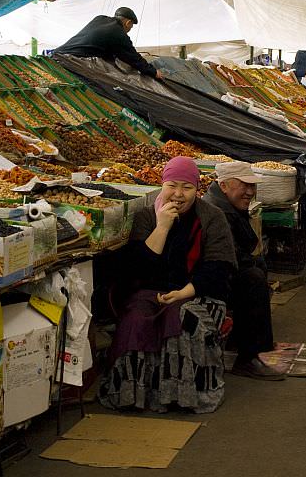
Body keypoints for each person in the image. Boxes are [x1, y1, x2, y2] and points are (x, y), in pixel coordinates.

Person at [99, 157, 235, 413]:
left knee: (182, 318)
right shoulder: (146, 217)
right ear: (162, 185)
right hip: (151, 291)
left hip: (199, 293)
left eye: (187, 187)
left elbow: (219, 270)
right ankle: (133, 396)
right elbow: (139, 271)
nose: (178, 194)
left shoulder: (212, 218)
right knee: (136, 319)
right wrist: (162, 228)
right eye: (172, 185)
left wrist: (184, 292)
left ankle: (182, 395)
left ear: (198, 190)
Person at [204, 162, 286, 381]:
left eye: (252, 186)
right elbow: (229, 258)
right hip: (210, 278)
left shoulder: (227, 206)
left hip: (219, 271)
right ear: (223, 186)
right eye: (244, 185)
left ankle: (242, 340)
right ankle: (248, 357)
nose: (250, 191)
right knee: (253, 278)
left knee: (257, 268)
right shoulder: (219, 211)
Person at [54, 7, 162, 79]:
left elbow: (99, 44)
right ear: (128, 23)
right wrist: (153, 72)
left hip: (57, 54)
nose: (130, 29)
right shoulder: (118, 33)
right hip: (71, 61)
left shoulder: (99, 18)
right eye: (131, 26)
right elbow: (133, 57)